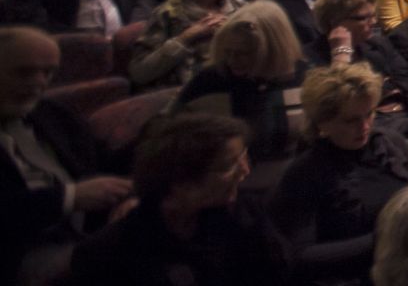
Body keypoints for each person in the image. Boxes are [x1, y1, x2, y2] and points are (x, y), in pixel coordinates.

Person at [68, 113, 288, 286]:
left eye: (244, 158)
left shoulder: (243, 212)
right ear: (180, 181)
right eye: (229, 166)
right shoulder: (106, 255)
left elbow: (280, 275)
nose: (245, 171)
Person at [267, 63, 408, 285]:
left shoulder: (390, 144)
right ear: (323, 123)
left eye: (369, 114)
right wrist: (384, 239)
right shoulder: (305, 172)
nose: (364, 126)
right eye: (351, 120)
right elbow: (300, 256)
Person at [0, 28, 134, 286]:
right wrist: (69, 198)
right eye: (24, 72)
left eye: (48, 73)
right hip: (20, 251)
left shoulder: (52, 113)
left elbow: (100, 164)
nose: (39, 82)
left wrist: (128, 196)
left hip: (86, 232)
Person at [172, 1, 308, 163]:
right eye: (227, 52)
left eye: (243, 54)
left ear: (272, 51)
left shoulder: (303, 78)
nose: (231, 60)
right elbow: (166, 132)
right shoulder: (210, 80)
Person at [308, 0, 408, 137]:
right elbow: (336, 105)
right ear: (334, 22)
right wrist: (341, 53)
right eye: (363, 18)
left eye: (373, 16)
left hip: (404, 118)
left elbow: (406, 76)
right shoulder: (311, 57)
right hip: (364, 130)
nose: (373, 22)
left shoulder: (377, 43)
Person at [128, 0, 244, 88]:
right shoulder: (168, 15)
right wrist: (185, 38)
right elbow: (140, 72)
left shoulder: (241, 7)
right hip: (189, 96)